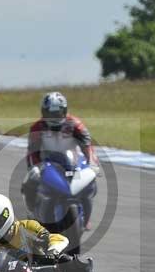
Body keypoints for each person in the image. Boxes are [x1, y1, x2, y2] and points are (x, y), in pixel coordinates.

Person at [23, 92, 99, 225]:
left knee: (90, 183)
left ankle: (86, 218)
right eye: (50, 113)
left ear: (65, 111)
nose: (54, 117)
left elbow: (87, 145)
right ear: (43, 112)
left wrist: (91, 163)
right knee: (29, 184)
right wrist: (34, 167)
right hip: (47, 164)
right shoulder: (37, 127)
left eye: (58, 113)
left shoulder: (75, 124)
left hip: (73, 162)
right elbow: (32, 151)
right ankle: (32, 212)